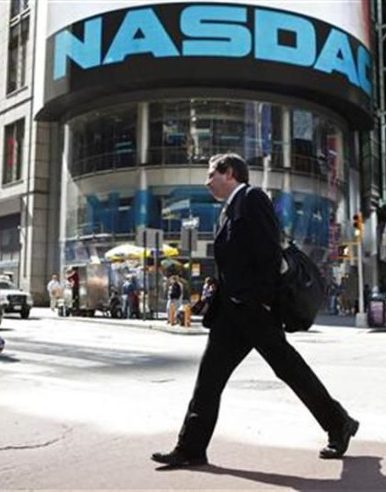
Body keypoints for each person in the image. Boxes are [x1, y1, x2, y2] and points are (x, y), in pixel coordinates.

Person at [151, 153, 358, 468]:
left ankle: (338, 422)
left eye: (211, 175)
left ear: (229, 172)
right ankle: (191, 448)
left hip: (253, 310)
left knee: (289, 370)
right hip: (230, 313)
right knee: (209, 379)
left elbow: (267, 251)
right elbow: (235, 262)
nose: (207, 182)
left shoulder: (252, 198)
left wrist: (260, 300)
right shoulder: (227, 210)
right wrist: (215, 294)